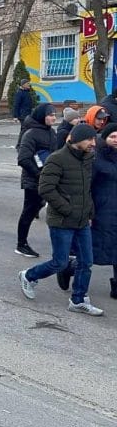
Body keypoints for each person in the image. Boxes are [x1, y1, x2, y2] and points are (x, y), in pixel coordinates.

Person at [18, 124, 104, 316]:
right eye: (88, 139)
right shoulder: (57, 159)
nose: (93, 143)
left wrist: (89, 212)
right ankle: (29, 275)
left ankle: (78, 300)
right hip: (61, 221)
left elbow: (85, 189)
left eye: (94, 139)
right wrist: (68, 209)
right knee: (60, 262)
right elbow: (46, 189)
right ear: (75, 140)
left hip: (82, 221)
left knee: (86, 262)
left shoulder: (88, 158)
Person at [16, 103, 57, 258]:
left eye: (54, 114)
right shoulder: (31, 133)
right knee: (28, 212)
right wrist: (39, 175)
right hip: (33, 181)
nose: (53, 117)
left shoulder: (51, 132)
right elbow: (23, 159)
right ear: (41, 116)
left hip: (48, 179)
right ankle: (21, 244)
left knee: (44, 209)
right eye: (50, 114)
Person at [90, 122, 117, 300]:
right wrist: (89, 212)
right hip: (102, 213)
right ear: (104, 138)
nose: (116, 140)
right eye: (113, 137)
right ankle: (69, 268)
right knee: (94, 252)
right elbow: (86, 188)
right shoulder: (95, 159)